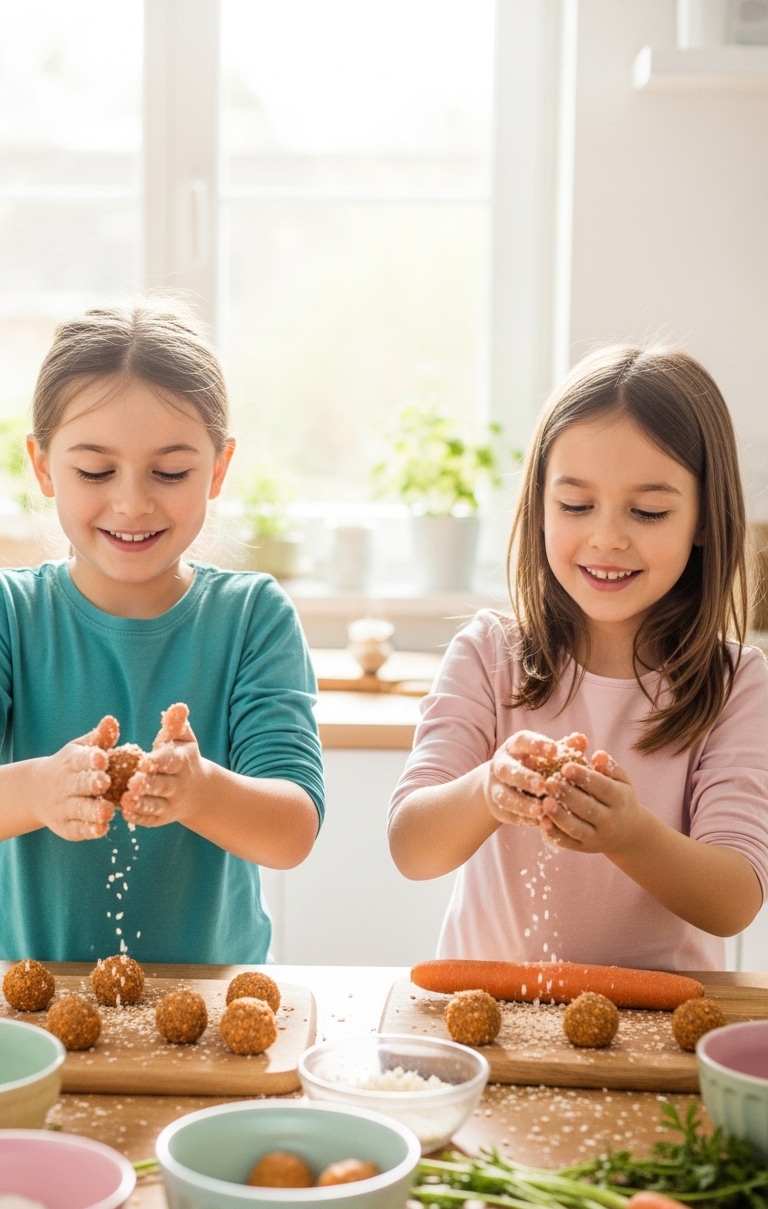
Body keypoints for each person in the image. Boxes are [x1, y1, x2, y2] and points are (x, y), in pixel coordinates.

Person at [388, 346, 768, 971]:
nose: (607, 537)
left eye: (648, 511)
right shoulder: (489, 655)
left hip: (660, 1016)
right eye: (575, 505)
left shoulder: (735, 684)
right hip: (492, 1009)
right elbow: (411, 846)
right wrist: (487, 790)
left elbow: (735, 900)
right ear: (540, 505)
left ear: (704, 518)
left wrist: (632, 836)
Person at [0, 302, 324, 964]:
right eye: (95, 471)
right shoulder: (12, 614)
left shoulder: (252, 618)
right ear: (42, 465)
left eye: (171, 472)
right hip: (33, 1006)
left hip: (214, 1007)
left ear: (218, 469)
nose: (132, 502)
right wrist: (38, 789)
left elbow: (292, 830)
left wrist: (201, 791)